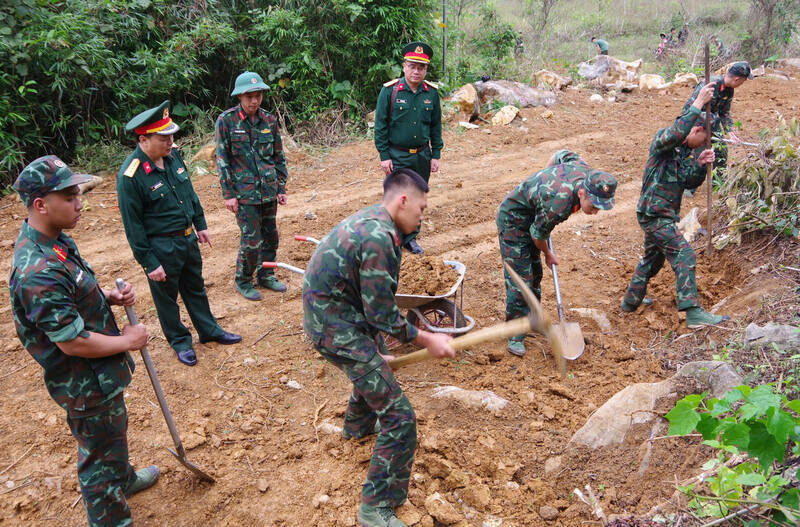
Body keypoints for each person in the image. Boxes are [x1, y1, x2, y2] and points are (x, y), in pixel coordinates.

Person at [10, 156, 159, 526]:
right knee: (100, 459)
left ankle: (122, 478)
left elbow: (73, 297)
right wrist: (128, 340)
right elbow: (72, 343)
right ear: (40, 205)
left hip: (99, 375)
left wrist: (107, 296)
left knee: (111, 437)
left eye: (79, 194)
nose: (80, 203)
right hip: (83, 381)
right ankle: (112, 515)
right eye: (70, 196)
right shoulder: (38, 270)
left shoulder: (56, 241)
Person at [302, 169, 455, 527]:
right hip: (335, 328)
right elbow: (383, 314)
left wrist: (376, 352)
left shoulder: (377, 220)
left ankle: (356, 427)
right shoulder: (379, 237)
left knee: (374, 366)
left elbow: (373, 306)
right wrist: (428, 338)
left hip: (338, 315)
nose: (422, 215)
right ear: (403, 201)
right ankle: (375, 508)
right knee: (401, 420)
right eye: (421, 208)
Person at [117, 100, 241, 366]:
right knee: (167, 300)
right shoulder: (131, 176)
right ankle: (180, 342)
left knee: (195, 288)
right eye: (163, 138)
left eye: (171, 135)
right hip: (161, 246)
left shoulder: (174, 157)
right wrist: (149, 262)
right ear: (144, 139)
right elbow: (133, 225)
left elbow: (189, 194)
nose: (170, 142)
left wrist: (201, 224)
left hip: (187, 239)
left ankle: (209, 331)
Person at [622, 82, 732, 327]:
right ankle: (693, 313)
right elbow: (675, 132)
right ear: (694, 130)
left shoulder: (683, 155)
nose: (704, 145)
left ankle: (630, 301)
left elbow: (687, 181)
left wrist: (701, 164)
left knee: (653, 259)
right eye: (704, 140)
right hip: (654, 214)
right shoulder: (664, 142)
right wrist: (697, 103)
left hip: (663, 214)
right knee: (684, 254)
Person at [496, 151, 617, 356]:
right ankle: (515, 333)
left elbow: (560, 154)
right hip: (513, 221)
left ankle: (533, 320)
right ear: (581, 193)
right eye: (594, 206)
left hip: (536, 216)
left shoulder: (585, 171)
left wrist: (546, 173)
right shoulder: (558, 205)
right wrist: (548, 253)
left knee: (535, 272)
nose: (596, 211)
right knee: (520, 279)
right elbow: (537, 236)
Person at [215, 71, 289, 301]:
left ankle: (266, 274)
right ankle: (244, 280)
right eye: (249, 96)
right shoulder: (226, 122)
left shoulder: (269, 120)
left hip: (268, 190)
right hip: (244, 193)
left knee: (271, 236)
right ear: (240, 97)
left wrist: (281, 187)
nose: (254, 101)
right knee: (251, 240)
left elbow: (278, 156)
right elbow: (222, 160)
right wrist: (229, 194)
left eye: (257, 96)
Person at [373, 41, 443, 255]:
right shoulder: (390, 91)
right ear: (404, 66)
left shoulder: (431, 94)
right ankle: (393, 237)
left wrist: (436, 154)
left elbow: (435, 126)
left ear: (426, 69)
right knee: (397, 198)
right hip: (397, 155)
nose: (416, 71)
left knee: (417, 197)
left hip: (422, 155)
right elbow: (380, 126)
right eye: (412, 66)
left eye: (421, 67)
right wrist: (384, 156)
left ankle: (411, 238)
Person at [680, 61, 752, 179]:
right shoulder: (709, 84)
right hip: (695, 122)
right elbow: (689, 109)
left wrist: (730, 131)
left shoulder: (729, 90)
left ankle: (718, 181)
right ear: (737, 79)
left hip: (712, 123)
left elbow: (725, 112)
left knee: (721, 149)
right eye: (743, 81)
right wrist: (708, 121)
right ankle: (689, 186)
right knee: (698, 153)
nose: (742, 84)